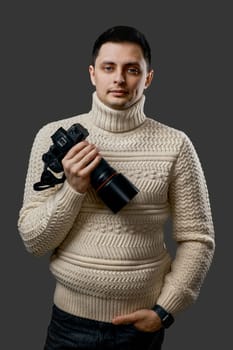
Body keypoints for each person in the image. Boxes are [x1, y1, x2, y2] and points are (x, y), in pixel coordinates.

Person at [18, 25, 215, 350]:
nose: (119, 79)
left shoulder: (176, 144)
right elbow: (34, 242)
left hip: (140, 328)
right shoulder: (51, 135)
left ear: (148, 77)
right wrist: (73, 190)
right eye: (109, 67)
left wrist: (165, 310)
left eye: (132, 69)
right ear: (93, 74)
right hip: (68, 322)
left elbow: (198, 238)